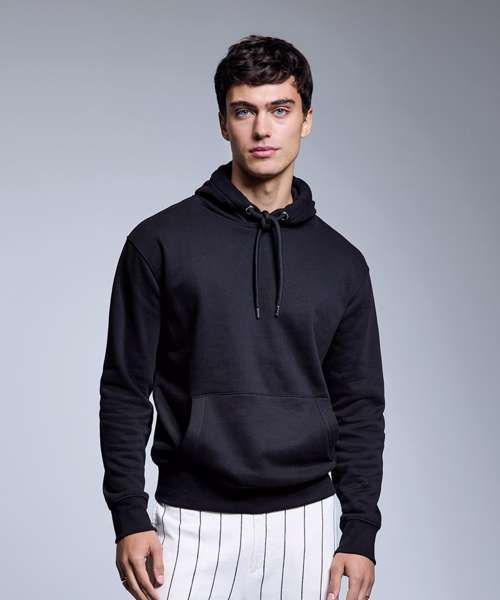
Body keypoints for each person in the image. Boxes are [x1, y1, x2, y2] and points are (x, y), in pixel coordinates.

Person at [99, 34, 385, 600]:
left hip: (308, 525)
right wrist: (129, 513)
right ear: (223, 122)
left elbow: (359, 403)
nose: (262, 130)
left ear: (306, 119)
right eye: (244, 111)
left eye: (280, 109)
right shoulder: (159, 243)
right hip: (189, 524)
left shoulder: (342, 263)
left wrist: (360, 531)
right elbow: (125, 389)